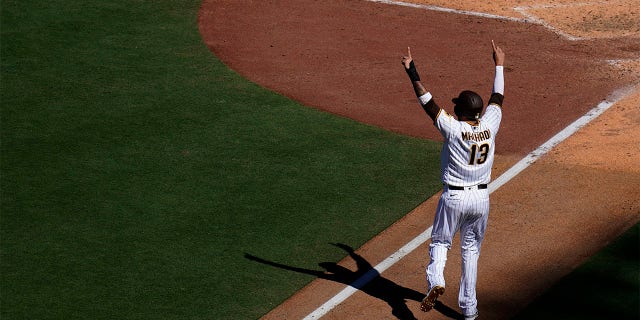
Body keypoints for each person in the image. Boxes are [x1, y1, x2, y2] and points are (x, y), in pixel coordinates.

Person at [401, 40, 505, 320]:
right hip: (481, 200)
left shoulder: (453, 129)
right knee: (470, 251)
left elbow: (428, 102)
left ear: (460, 111)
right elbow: (497, 97)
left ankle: (436, 280)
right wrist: (499, 64)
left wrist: (412, 71)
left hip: (455, 198)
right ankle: (469, 312)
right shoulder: (490, 124)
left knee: (440, 242)